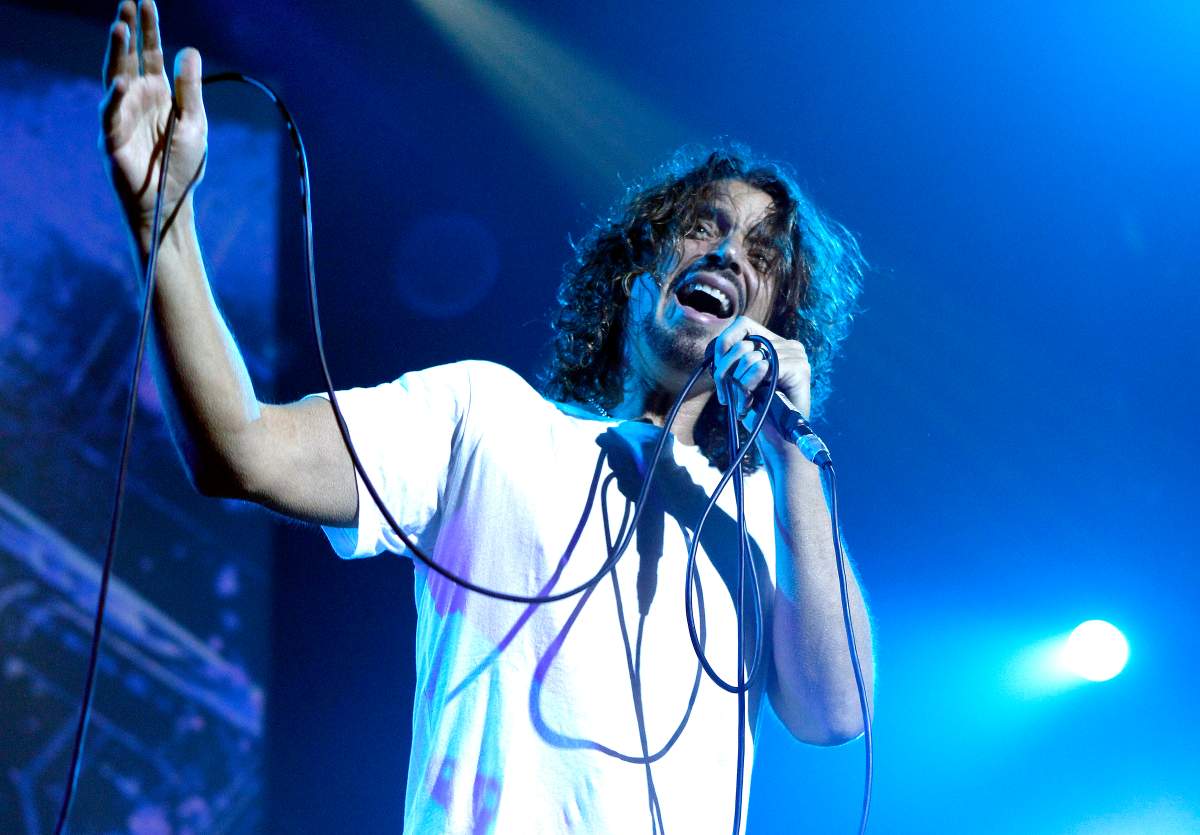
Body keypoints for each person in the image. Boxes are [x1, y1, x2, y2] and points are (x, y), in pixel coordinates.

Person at [101, 2, 875, 832]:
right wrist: (165, 223)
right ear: (635, 273)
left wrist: (791, 448)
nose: (726, 254)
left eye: (761, 255)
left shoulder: (759, 522)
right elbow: (242, 448)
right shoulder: (486, 415)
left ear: (775, 325)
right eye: (702, 228)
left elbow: (835, 712)